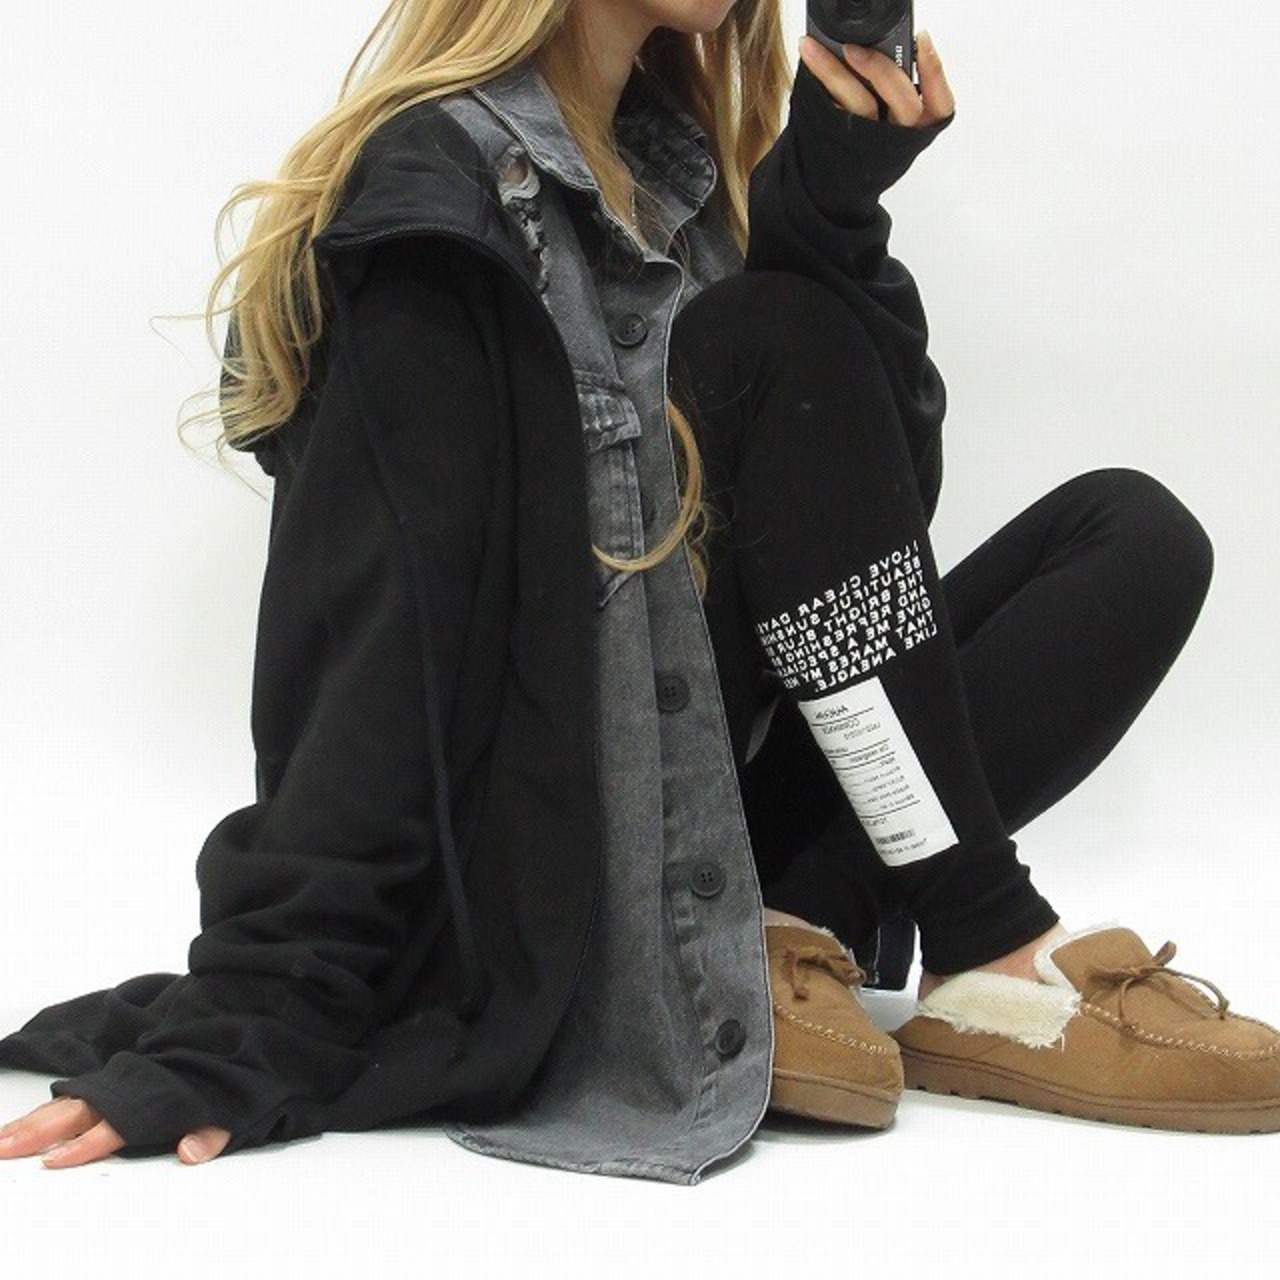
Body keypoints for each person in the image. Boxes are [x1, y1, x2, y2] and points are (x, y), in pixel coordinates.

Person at [0, 1, 1275, 1182]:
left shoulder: (676, 180)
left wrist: (828, 210)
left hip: (719, 790)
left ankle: (790, 931)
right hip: (569, 862)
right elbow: (370, 635)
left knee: (1134, 538)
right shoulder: (433, 191)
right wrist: (259, 1005)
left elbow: (864, 517)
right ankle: (991, 945)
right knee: (772, 342)